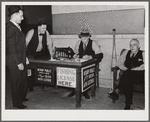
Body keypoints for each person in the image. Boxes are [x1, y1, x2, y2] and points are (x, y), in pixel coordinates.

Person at [108, 38, 145, 110]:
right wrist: (124, 67)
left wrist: (135, 69)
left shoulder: (143, 53)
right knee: (128, 78)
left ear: (139, 45)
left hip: (140, 75)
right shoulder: (126, 52)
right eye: (130, 45)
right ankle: (128, 104)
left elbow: (146, 65)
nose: (132, 47)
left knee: (128, 74)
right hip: (128, 75)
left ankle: (117, 91)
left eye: (134, 45)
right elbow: (119, 63)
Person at [68, 28, 103, 99]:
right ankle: (74, 90)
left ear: (88, 37)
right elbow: (75, 53)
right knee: (73, 71)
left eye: (85, 38)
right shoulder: (78, 43)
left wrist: (90, 56)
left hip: (91, 64)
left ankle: (84, 91)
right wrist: (74, 55)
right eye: (82, 38)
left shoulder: (93, 43)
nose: (83, 40)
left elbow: (100, 55)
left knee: (84, 72)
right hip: (80, 63)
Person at [6, 6, 28, 109]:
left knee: (22, 80)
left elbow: (21, 46)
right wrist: (18, 62)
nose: (22, 18)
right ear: (14, 16)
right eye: (21, 16)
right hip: (14, 61)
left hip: (20, 58)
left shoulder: (16, 26)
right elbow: (11, 48)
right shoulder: (10, 28)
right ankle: (17, 103)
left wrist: (25, 58)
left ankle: (21, 97)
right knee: (16, 82)